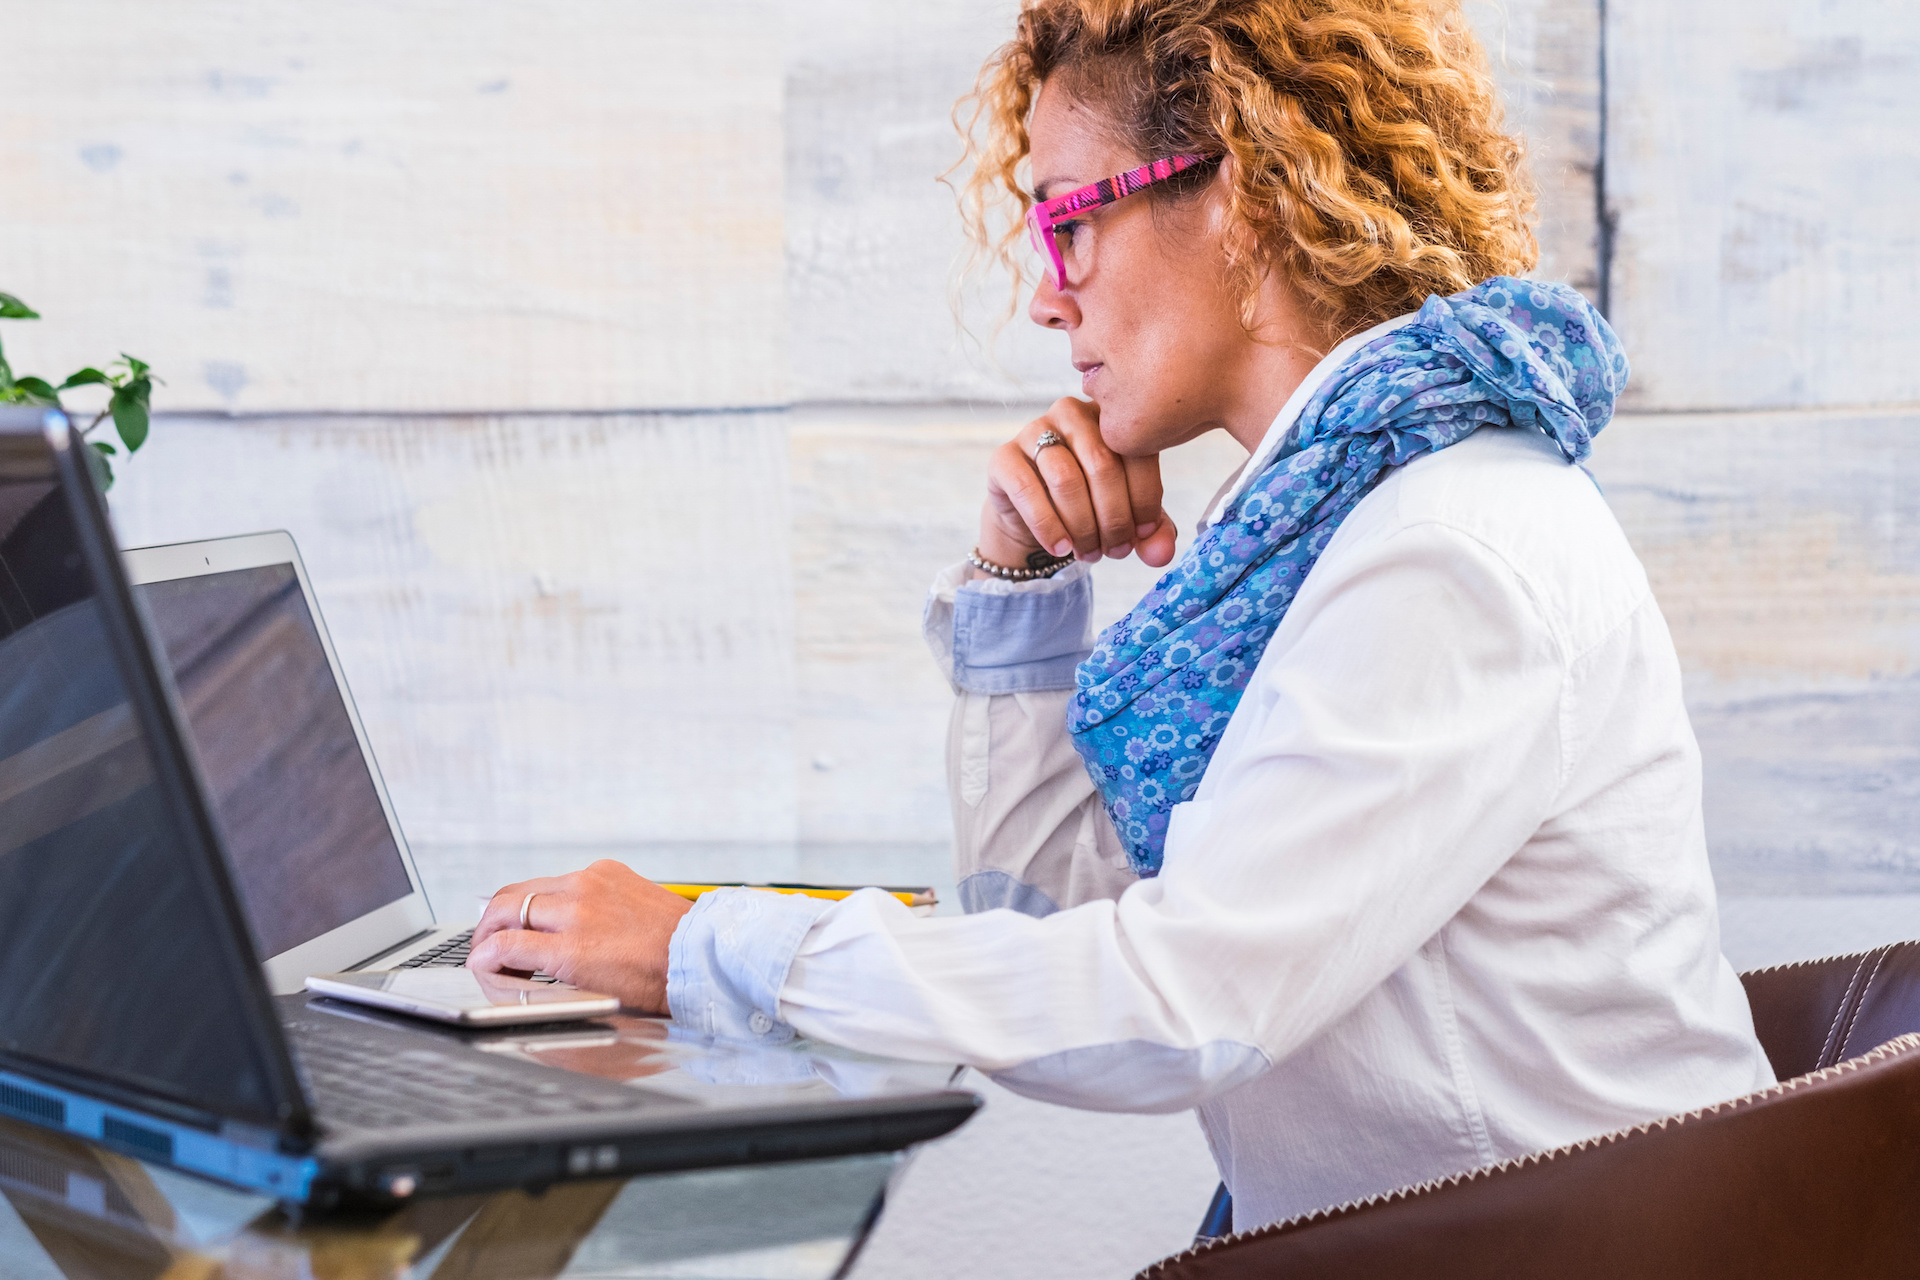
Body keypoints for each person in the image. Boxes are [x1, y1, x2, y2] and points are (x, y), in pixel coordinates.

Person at [469, 0, 1774, 1230]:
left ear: (1247, 200)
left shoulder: (1448, 552)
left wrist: (705, 946)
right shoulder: (1323, 534)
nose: (1044, 293)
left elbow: (1174, 1006)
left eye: (1067, 222)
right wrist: (1023, 600)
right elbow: (1047, 934)